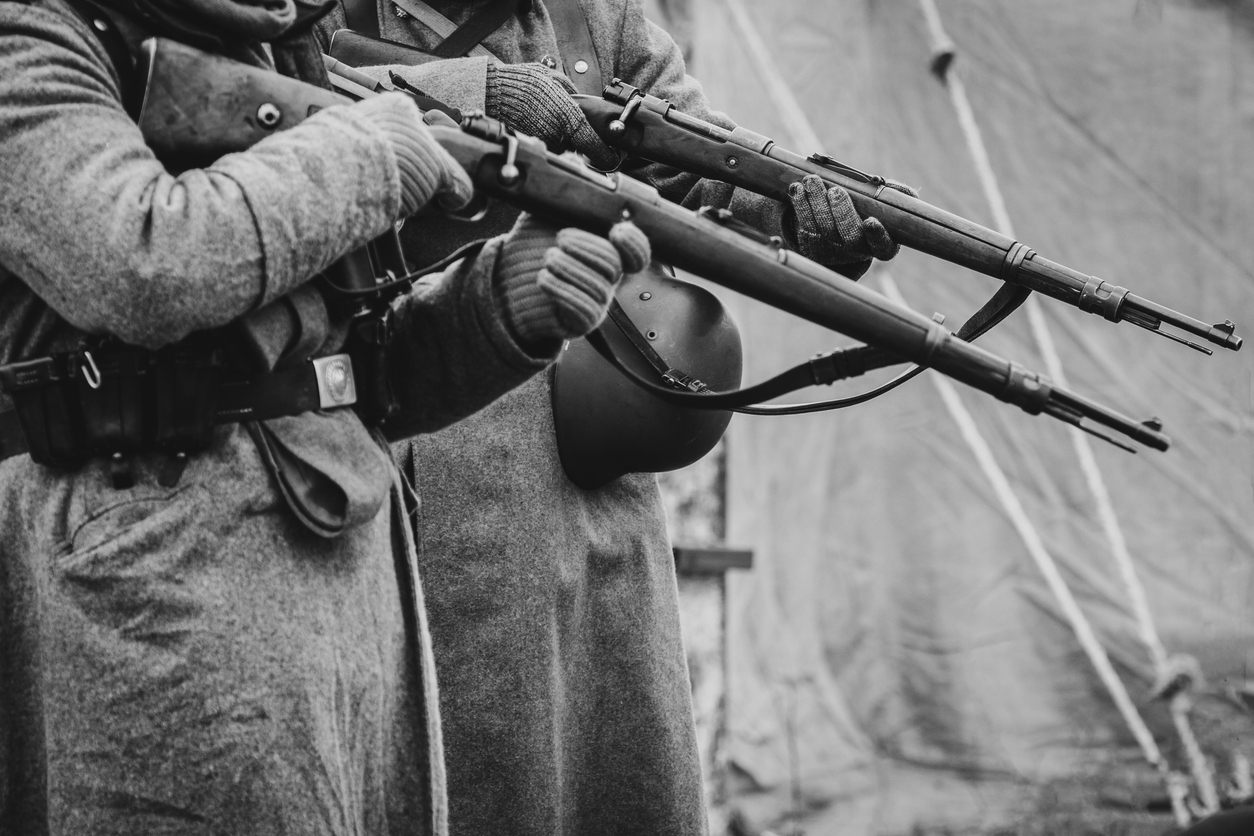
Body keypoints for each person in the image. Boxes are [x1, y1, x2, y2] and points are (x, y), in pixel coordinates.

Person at [0, 0, 650, 831]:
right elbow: (142, 265)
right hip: (154, 612)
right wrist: (368, 151)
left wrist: (506, 303)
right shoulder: (35, 30)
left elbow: (353, 374)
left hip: (355, 610)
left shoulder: (269, 42)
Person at [311, 3, 908, 834]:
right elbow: (300, 105)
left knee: (622, 761)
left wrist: (802, 214)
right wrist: (475, 88)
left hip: (604, 441)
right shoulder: (333, 11)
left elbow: (697, 154)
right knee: (485, 772)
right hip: (443, 443)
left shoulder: (598, 16)